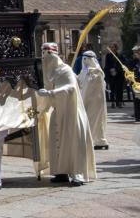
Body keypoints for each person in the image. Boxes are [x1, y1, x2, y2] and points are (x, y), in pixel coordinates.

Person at [36, 42, 96, 186]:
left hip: (71, 112)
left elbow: (70, 88)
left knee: (73, 142)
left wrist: (51, 92)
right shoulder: (49, 73)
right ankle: (61, 172)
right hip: (58, 112)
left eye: (49, 55)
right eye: (44, 56)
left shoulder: (66, 70)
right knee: (57, 142)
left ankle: (78, 173)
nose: (46, 59)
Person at [77, 50, 109, 149]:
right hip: (85, 99)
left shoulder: (98, 72)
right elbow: (79, 83)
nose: (85, 61)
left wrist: (90, 74)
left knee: (97, 121)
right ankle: (91, 140)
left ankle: (100, 141)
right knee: (86, 120)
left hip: (96, 102)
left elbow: (95, 86)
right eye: (84, 59)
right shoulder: (83, 71)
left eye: (87, 59)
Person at [104, 44, 125, 108]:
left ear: (116, 48)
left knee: (119, 89)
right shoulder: (108, 55)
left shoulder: (120, 55)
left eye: (113, 47)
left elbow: (121, 64)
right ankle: (113, 102)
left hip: (119, 75)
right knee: (112, 89)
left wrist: (116, 70)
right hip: (111, 74)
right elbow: (107, 64)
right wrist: (110, 70)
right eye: (111, 47)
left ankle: (119, 102)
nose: (112, 48)